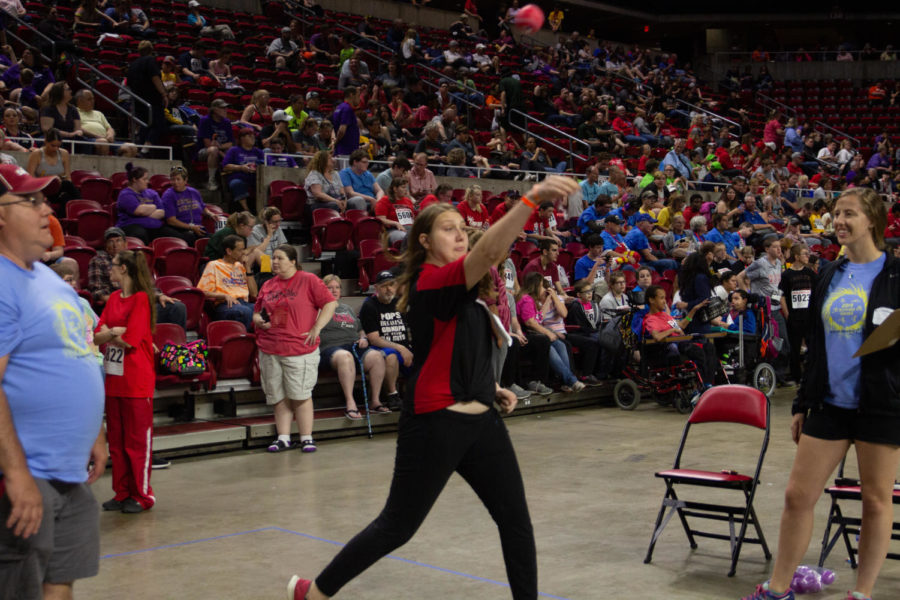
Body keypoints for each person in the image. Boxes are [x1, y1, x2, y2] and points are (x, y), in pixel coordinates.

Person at [286, 175, 580, 600]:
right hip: (435, 423)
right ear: (423, 241)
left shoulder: (464, 291)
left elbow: (452, 349)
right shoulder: (432, 281)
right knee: (398, 526)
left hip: (482, 423)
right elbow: (492, 250)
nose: (460, 235)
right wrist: (532, 200)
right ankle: (314, 592)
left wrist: (489, 387)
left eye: (463, 229)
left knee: (516, 522)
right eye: (448, 229)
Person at [740, 188, 900, 600]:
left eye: (849, 214)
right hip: (828, 403)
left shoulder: (897, 275)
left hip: (881, 406)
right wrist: (801, 403)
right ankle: (778, 588)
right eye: (836, 214)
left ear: (872, 221)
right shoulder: (829, 273)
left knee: (876, 502)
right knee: (797, 496)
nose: (839, 221)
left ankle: (862, 593)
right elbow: (815, 343)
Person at [0, 164, 107, 599]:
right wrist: (16, 472)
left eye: (44, 199)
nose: (46, 209)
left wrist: (94, 432)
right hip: (27, 470)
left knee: (60, 579)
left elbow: (76, 352)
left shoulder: (50, 279)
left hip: (67, 470)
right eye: (31, 200)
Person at [253, 245, 336, 453]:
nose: (275, 262)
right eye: (273, 258)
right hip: (270, 347)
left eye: (280, 258)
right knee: (278, 396)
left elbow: (330, 303)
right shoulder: (268, 284)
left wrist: (316, 327)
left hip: (299, 348)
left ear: (292, 261)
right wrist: (259, 321)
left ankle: (306, 437)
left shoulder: (308, 280)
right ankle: (283, 437)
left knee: (300, 394)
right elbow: (257, 312)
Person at [93, 249, 156, 514]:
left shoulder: (141, 299)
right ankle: (121, 492)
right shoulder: (115, 298)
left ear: (125, 269)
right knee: (116, 442)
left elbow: (131, 340)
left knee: (136, 441)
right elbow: (96, 337)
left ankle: (142, 495)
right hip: (114, 378)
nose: (110, 270)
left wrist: (111, 333)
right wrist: (112, 333)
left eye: (114, 266)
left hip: (136, 379)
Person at [319, 274, 390, 420]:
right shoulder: (318, 309)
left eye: (337, 287)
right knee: (346, 357)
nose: (334, 290)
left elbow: (360, 329)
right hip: (330, 349)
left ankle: (375, 401)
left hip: (353, 345)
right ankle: (350, 402)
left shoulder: (347, 308)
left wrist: (363, 337)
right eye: (330, 288)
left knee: (377, 356)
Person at [517, 272, 584, 392]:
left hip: (535, 334)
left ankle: (567, 381)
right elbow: (530, 323)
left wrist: (549, 298)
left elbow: (539, 318)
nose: (544, 289)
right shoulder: (526, 299)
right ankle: (571, 380)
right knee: (549, 346)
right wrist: (548, 333)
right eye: (542, 286)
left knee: (560, 344)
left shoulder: (531, 300)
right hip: (526, 337)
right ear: (535, 286)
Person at [642, 284, 716, 385]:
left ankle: (709, 383)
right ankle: (703, 386)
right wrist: (672, 331)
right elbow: (657, 336)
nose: (664, 301)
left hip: (683, 341)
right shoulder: (650, 319)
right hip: (672, 347)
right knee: (698, 352)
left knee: (709, 347)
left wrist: (694, 309)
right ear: (651, 300)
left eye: (665, 298)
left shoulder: (665, 316)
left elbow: (682, 325)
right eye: (661, 298)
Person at [359, 270, 412, 411]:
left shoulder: (400, 303)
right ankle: (392, 395)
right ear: (376, 288)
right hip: (381, 348)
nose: (389, 289)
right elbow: (374, 339)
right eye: (384, 286)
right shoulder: (369, 305)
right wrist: (401, 348)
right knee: (391, 355)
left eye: (392, 285)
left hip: (405, 348)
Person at [116, 163, 190, 244]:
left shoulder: (152, 193)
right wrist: (153, 206)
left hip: (155, 227)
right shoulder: (125, 194)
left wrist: (145, 212)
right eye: (144, 179)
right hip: (131, 226)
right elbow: (139, 211)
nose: (147, 182)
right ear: (134, 179)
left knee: (179, 237)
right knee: (140, 234)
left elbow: (162, 212)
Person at [197, 234, 258, 329]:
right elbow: (203, 292)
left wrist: (248, 267)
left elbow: (254, 293)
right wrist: (224, 295)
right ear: (229, 251)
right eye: (240, 250)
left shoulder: (241, 266)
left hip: (243, 302)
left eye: (244, 249)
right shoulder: (213, 265)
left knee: (264, 310)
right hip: (224, 304)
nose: (243, 253)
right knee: (244, 312)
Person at [778, 243, 815, 384]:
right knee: (794, 348)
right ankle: (796, 377)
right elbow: (782, 296)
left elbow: (816, 292)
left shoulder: (810, 273)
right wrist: (787, 315)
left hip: (809, 316)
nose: (808, 256)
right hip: (794, 317)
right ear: (797, 256)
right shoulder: (787, 275)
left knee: (812, 347)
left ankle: (811, 374)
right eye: (805, 253)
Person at [160, 165, 212, 246]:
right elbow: (171, 220)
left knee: (214, 240)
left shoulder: (194, 192)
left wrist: (211, 214)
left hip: (198, 228)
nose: (175, 182)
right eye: (173, 179)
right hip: (181, 229)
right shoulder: (168, 195)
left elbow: (203, 208)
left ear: (185, 180)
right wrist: (191, 227)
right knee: (190, 237)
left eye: (178, 179)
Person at [25, 128, 77, 207]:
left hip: (57, 189)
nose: (55, 149)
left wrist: (59, 181)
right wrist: (48, 180)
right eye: (52, 145)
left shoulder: (64, 153)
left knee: (66, 195)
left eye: (58, 146)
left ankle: (76, 209)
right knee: (66, 187)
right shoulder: (36, 154)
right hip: (41, 188)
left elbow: (68, 178)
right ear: (46, 141)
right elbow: (30, 178)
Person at [222, 128, 264, 212]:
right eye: (249, 136)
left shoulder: (258, 151)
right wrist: (241, 167)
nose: (253, 138)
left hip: (256, 178)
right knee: (236, 184)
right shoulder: (234, 150)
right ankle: (246, 210)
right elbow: (225, 166)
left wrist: (257, 167)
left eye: (253, 136)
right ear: (241, 138)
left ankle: (263, 210)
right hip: (239, 177)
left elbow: (265, 163)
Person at [197, 98, 235, 191]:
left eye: (226, 108)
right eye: (223, 108)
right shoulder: (205, 121)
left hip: (221, 149)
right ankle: (211, 180)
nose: (226, 110)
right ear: (214, 109)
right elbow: (207, 144)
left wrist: (221, 147)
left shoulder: (226, 122)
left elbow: (230, 143)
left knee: (234, 151)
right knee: (213, 150)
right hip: (204, 151)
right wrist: (220, 150)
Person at [374, 177, 416, 245]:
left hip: (409, 228)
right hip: (393, 230)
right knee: (405, 237)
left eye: (406, 188)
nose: (406, 190)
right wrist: (396, 223)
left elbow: (412, 218)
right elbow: (380, 219)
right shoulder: (384, 200)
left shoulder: (408, 201)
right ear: (395, 189)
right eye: (403, 187)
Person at [75, 89, 117, 155]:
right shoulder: (74, 111)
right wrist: (98, 136)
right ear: (80, 101)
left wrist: (110, 135)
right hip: (88, 139)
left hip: (104, 140)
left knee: (131, 147)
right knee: (103, 143)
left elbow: (109, 128)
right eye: (89, 99)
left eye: (93, 99)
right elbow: (78, 128)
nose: (93, 101)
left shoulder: (99, 113)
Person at [332, 86, 361, 157]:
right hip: (347, 151)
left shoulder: (339, 107)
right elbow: (342, 130)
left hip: (342, 150)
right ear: (351, 95)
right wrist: (336, 142)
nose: (359, 99)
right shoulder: (347, 109)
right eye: (358, 96)